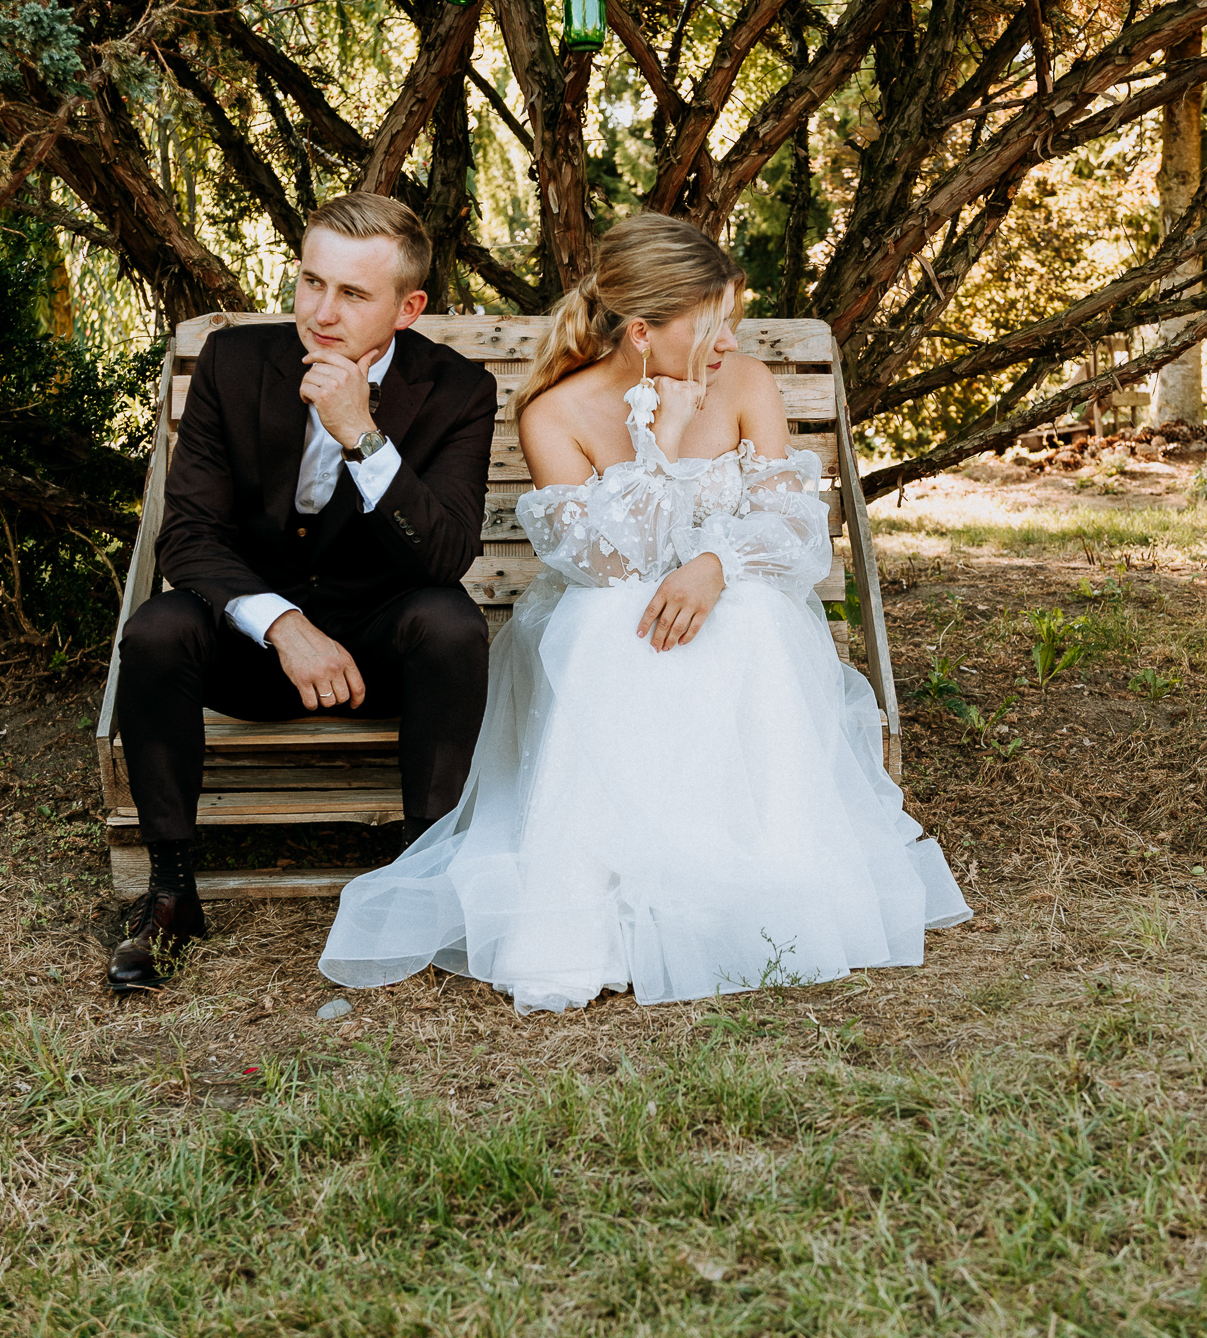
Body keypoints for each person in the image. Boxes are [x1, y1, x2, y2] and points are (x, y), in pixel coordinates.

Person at [319, 212, 970, 1014]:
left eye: (732, 321)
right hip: (614, 618)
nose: (729, 343)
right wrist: (661, 438)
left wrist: (714, 565)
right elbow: (604, 563)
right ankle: (601, 906)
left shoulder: (746, 383)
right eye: (711, 326)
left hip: (736, 600)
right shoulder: (555, 413)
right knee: (609, 620)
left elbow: (793, 529)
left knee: (753, 618)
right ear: (640, 332)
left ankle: (758, 890)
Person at [107, 192, 496, 991]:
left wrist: (361, 434)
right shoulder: (234, 362)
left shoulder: (456, 389)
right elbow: (189, 535)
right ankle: (171, 895)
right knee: (156, 629)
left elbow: (445, 555)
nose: (321, 312)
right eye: (312, 282)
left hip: (377, 657)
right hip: (252, 652)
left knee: (450, 623)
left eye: (352, 293)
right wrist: (283, 625)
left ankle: (420, 883)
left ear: (407, 308)